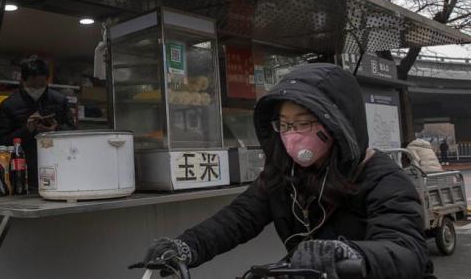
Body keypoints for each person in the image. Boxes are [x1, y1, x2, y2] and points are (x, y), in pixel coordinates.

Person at [138, 63, 432, 279]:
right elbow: (238, 217)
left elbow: (406, 251)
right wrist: (187, 246)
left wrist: (352, 254)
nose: (292, 134)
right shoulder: (282, 174)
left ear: (338, 123)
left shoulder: (383, 178)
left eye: (304, 122)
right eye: (285, 125)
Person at [0, 57, 75, 189]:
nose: (38, 89)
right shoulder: (9, 105)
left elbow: (73, 132)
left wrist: (55, 130)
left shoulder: (59, 101)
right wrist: (27, 129)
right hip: (25, 169)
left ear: (47, 80)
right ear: (23, 80)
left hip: (58, 164)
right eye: (33, 86)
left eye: (42, 85)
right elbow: (2, 143)